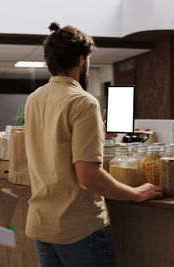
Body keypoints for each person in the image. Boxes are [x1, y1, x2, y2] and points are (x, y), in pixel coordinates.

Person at [24, 22, 163, 267]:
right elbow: (88, 176)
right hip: (78, 228)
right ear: (80, 60)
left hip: (42, 225)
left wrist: (94, 129)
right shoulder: (83, 102)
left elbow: (54, 147)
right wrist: (135, 194)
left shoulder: (34, 99)